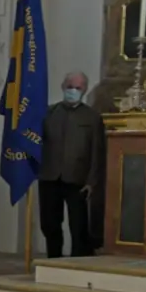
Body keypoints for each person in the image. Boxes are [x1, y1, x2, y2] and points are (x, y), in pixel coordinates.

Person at [38, 71, 106, 257]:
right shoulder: (48, 113)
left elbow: (97, 152)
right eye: (70, 87)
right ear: (63, 87)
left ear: (84, 90)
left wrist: (92, 182)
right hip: (49, 176)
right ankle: (53, 260)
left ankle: (77, 264)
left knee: (78, 227)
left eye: (78, 88)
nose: (73, 91)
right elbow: (36, 143)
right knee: (50, 223)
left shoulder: (92, 118)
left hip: (78, 179)